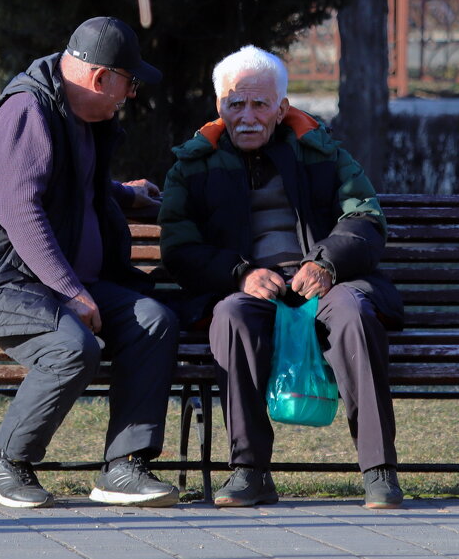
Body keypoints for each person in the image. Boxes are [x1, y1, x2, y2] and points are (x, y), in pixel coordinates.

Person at [0, 16, 181, 508]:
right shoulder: (28, 110)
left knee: (153, 321)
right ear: (100, 78)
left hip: (55, 281)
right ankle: (4, 463)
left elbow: (68, 184)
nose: (129, 95)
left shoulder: (77, 114)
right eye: (128, 83)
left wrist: (124, 196)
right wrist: (71, 291)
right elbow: (19, 208)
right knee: (73, 348)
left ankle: (123, 469)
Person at [159, 45, 404, 508]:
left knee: (353, 311)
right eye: (235, 104)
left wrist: (326, 263)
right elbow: (179, 247)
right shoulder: (192, 166)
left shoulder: (324, 153)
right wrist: (239, 274)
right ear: (219, 107)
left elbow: (366, 220)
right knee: (230, 315)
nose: (247, 116)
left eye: (259, 104)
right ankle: (249, 470)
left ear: (282, 107)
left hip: (327, 284)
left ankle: (379, 470)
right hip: (249, 290)